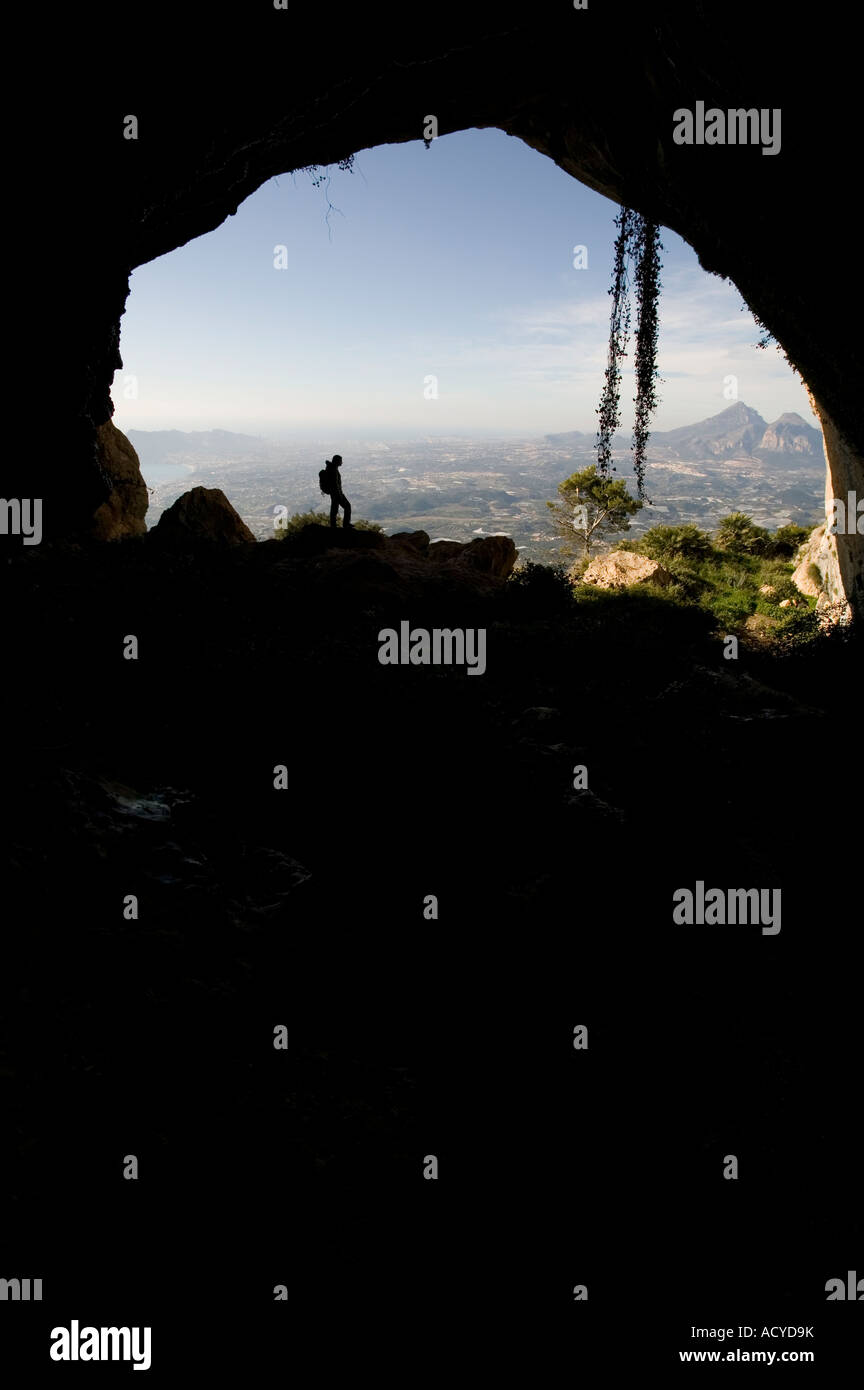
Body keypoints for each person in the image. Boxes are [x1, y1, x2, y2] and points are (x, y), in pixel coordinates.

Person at [323, 454, 351, 529]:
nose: (342, 462)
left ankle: (333, 526)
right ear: (337, 461)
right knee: (347, 506)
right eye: (341, 461)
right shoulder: (333, 470)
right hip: (336, 493)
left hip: (334, 493)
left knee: (334, 509)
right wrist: (340, 495)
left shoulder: (331, 468)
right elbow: (335, 484)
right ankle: (345, 524)